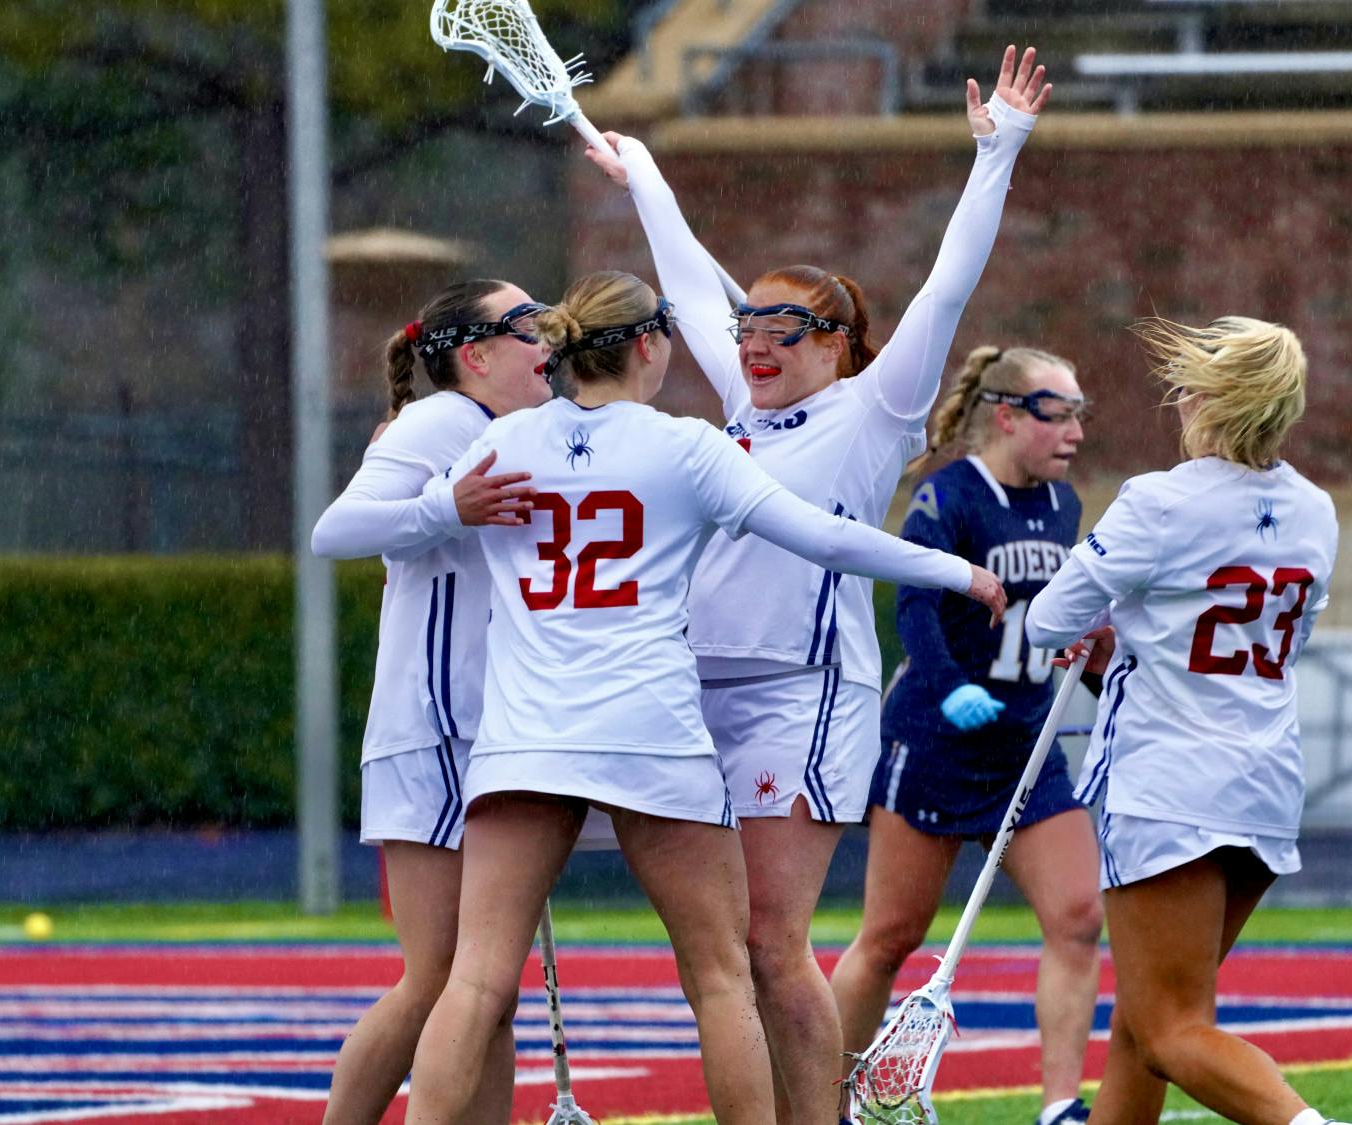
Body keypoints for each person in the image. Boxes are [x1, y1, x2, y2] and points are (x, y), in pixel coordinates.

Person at [362, 270, 1004, 1124]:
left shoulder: (497, 445)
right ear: (648, 345)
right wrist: (955, 570)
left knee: (474, 977)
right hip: (649, 732)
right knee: (720, 976)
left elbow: (385, 538)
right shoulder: (686, 445)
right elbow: (822, 534)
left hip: (523, 739)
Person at [580, 46, 1050, 1122]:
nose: (754, 345)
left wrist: (998, 155)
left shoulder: (872, 409)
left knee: (768, 945)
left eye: (785, 331)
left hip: (803, 693)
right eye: (749, 328)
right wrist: (644, 169)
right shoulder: (743, 413)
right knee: (727, 953)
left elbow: (947, 285)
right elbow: (689, 272)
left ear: (838, 345)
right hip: (700, 693)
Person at [1027, 317, 1352, 1125]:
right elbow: (1282, 644)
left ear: (1212, 401)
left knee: (1173, 1030)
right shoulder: (1316, 510)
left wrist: (1113, 625)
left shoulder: (1160, 500)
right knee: (1143, 1029)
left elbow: (1047, 620)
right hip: (1266, 785)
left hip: (1172, 785)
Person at [830, 345, 1103, 1125]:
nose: (1076, 431)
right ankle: (827, 1100)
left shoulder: (1063, 506)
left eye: (1082, 412)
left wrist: (1096, 661)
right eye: (1061, 413)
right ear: (1008, 414)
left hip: (1025, 744)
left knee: (1079, 915)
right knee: (889, 935)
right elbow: (915, 604)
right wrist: (951, 690)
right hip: (938, 742)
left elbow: (1064, 621)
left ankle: (1058, 1106)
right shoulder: (947, 494)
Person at [308, 278, 557, 1125]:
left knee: (485, 988)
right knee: (442, 979)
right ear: (474, 354)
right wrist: (444, 505)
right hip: (435, 731)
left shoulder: (512, 428)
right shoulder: (443, 421)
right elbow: (334, 529)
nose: (547, 341)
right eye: (527, 326)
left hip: (486, 733)